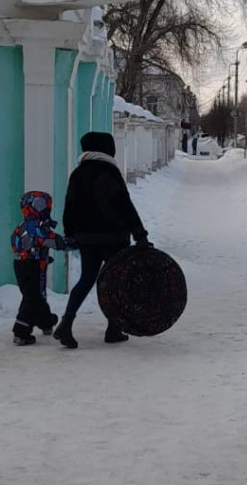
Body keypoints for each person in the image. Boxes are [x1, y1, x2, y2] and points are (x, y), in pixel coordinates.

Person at [56, 131, 151, 349]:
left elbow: (69, 206)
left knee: (86, 279)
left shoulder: (78, 173)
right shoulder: (110, 172)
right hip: (114, 238)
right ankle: (113, 328)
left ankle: (66, 323)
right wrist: (140, 234)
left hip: (87, 238)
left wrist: (71, 233)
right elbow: (124, 206)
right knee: (115, 283)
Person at [11, 190, 74, 346]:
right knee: (32, 297)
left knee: (33, 295)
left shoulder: (20, 227)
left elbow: (18, 245)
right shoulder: (38, 228)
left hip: (19, 265)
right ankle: (21, 331)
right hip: (34, 266)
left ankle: (46, 321)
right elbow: (57, 242)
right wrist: (77, 242)